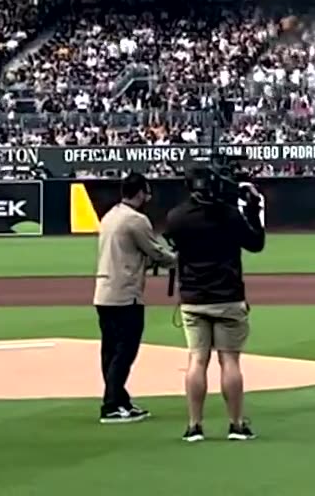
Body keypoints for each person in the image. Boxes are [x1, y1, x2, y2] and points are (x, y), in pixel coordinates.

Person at [162, 168, 265, 443]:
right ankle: (236, 424)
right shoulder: (229, 215)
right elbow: (256, 243)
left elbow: (171, 238)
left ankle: (194, 426)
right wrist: (252, 207)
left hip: (194, 298)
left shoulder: (177, 216)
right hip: (228, 296)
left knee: (197, 360)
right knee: (229, 361)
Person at [93, 173, 176, 424]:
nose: (148, 197)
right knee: (125, 350)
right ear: (139, 192)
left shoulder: (110, 215)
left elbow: (135, 253)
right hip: (125, 293)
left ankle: (119, 399)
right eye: (146, 192)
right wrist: (179, 258)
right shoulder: (136, 220)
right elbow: (156, 252)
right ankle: (111, 404)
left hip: (104, 290)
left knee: (110, 349)